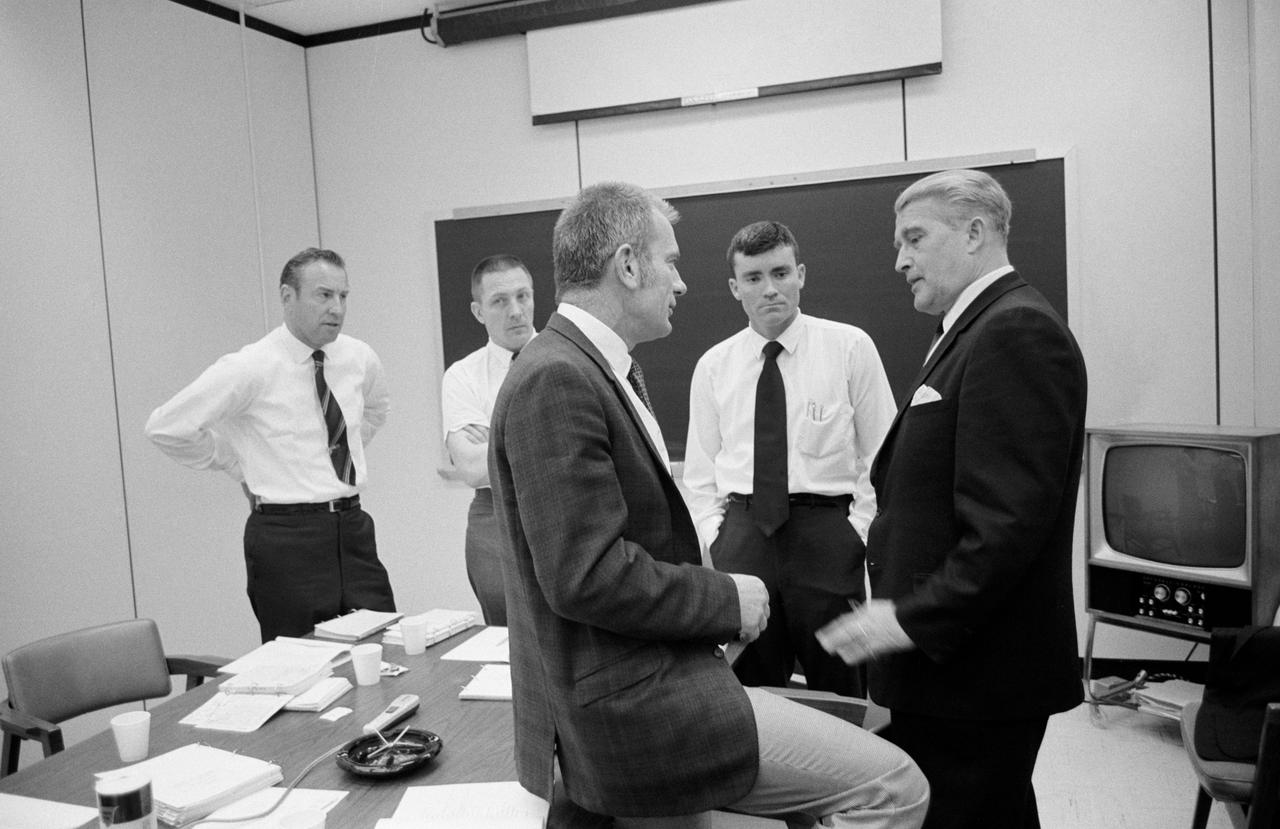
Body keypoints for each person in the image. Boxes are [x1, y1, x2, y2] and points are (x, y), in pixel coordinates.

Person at [489, 181, 928, 826]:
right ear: (629, 265)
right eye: (671, 261)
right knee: (894, 786)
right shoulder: (561, 375)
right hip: (636, 701)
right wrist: (725, 597)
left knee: (842, 713)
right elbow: (585, 575)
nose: (682, 283)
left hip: (666, 657)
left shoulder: (588, 366)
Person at [817, 169, 1088, 829]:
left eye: (914, 238)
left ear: (974, 233)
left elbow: (1004, 530)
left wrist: (907, 618)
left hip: (975, 675)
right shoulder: (971, 330)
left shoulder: (1014, 331)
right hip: (956, 669)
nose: (899, 259)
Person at [683, 220, 895, 696]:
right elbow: (699, 473)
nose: (770, 289)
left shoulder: (849, 347)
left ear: (801, 274)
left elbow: (883, 456)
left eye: (780, 273)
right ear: (736, 288)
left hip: (826, 537)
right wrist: (715, 540)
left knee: (840, 685)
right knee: (749, 690)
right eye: (754, 278)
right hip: (741, 537)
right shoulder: (714, 366)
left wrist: (856, 533)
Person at [146, 247, 396, 643]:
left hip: (353, 529)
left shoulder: (358, 356)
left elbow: (376, 411)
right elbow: (167, 427)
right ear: (287, 297)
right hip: (286, 537)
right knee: (301, 666)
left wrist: (333, 452)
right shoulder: (251, 366)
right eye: (323, 295)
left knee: (382, 649)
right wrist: (236, 465)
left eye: (343, 296)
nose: (337, 308)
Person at [441, 254, 536, 625]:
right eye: (500, 301)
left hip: (563, 504)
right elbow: (470, 467)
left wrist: (496, 434)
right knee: (504, 637)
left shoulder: (569, 359)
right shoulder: (462, 376)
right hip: (494, 514)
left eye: (523, 296)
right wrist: (543, 438)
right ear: (478, 311)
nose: (516, 311)